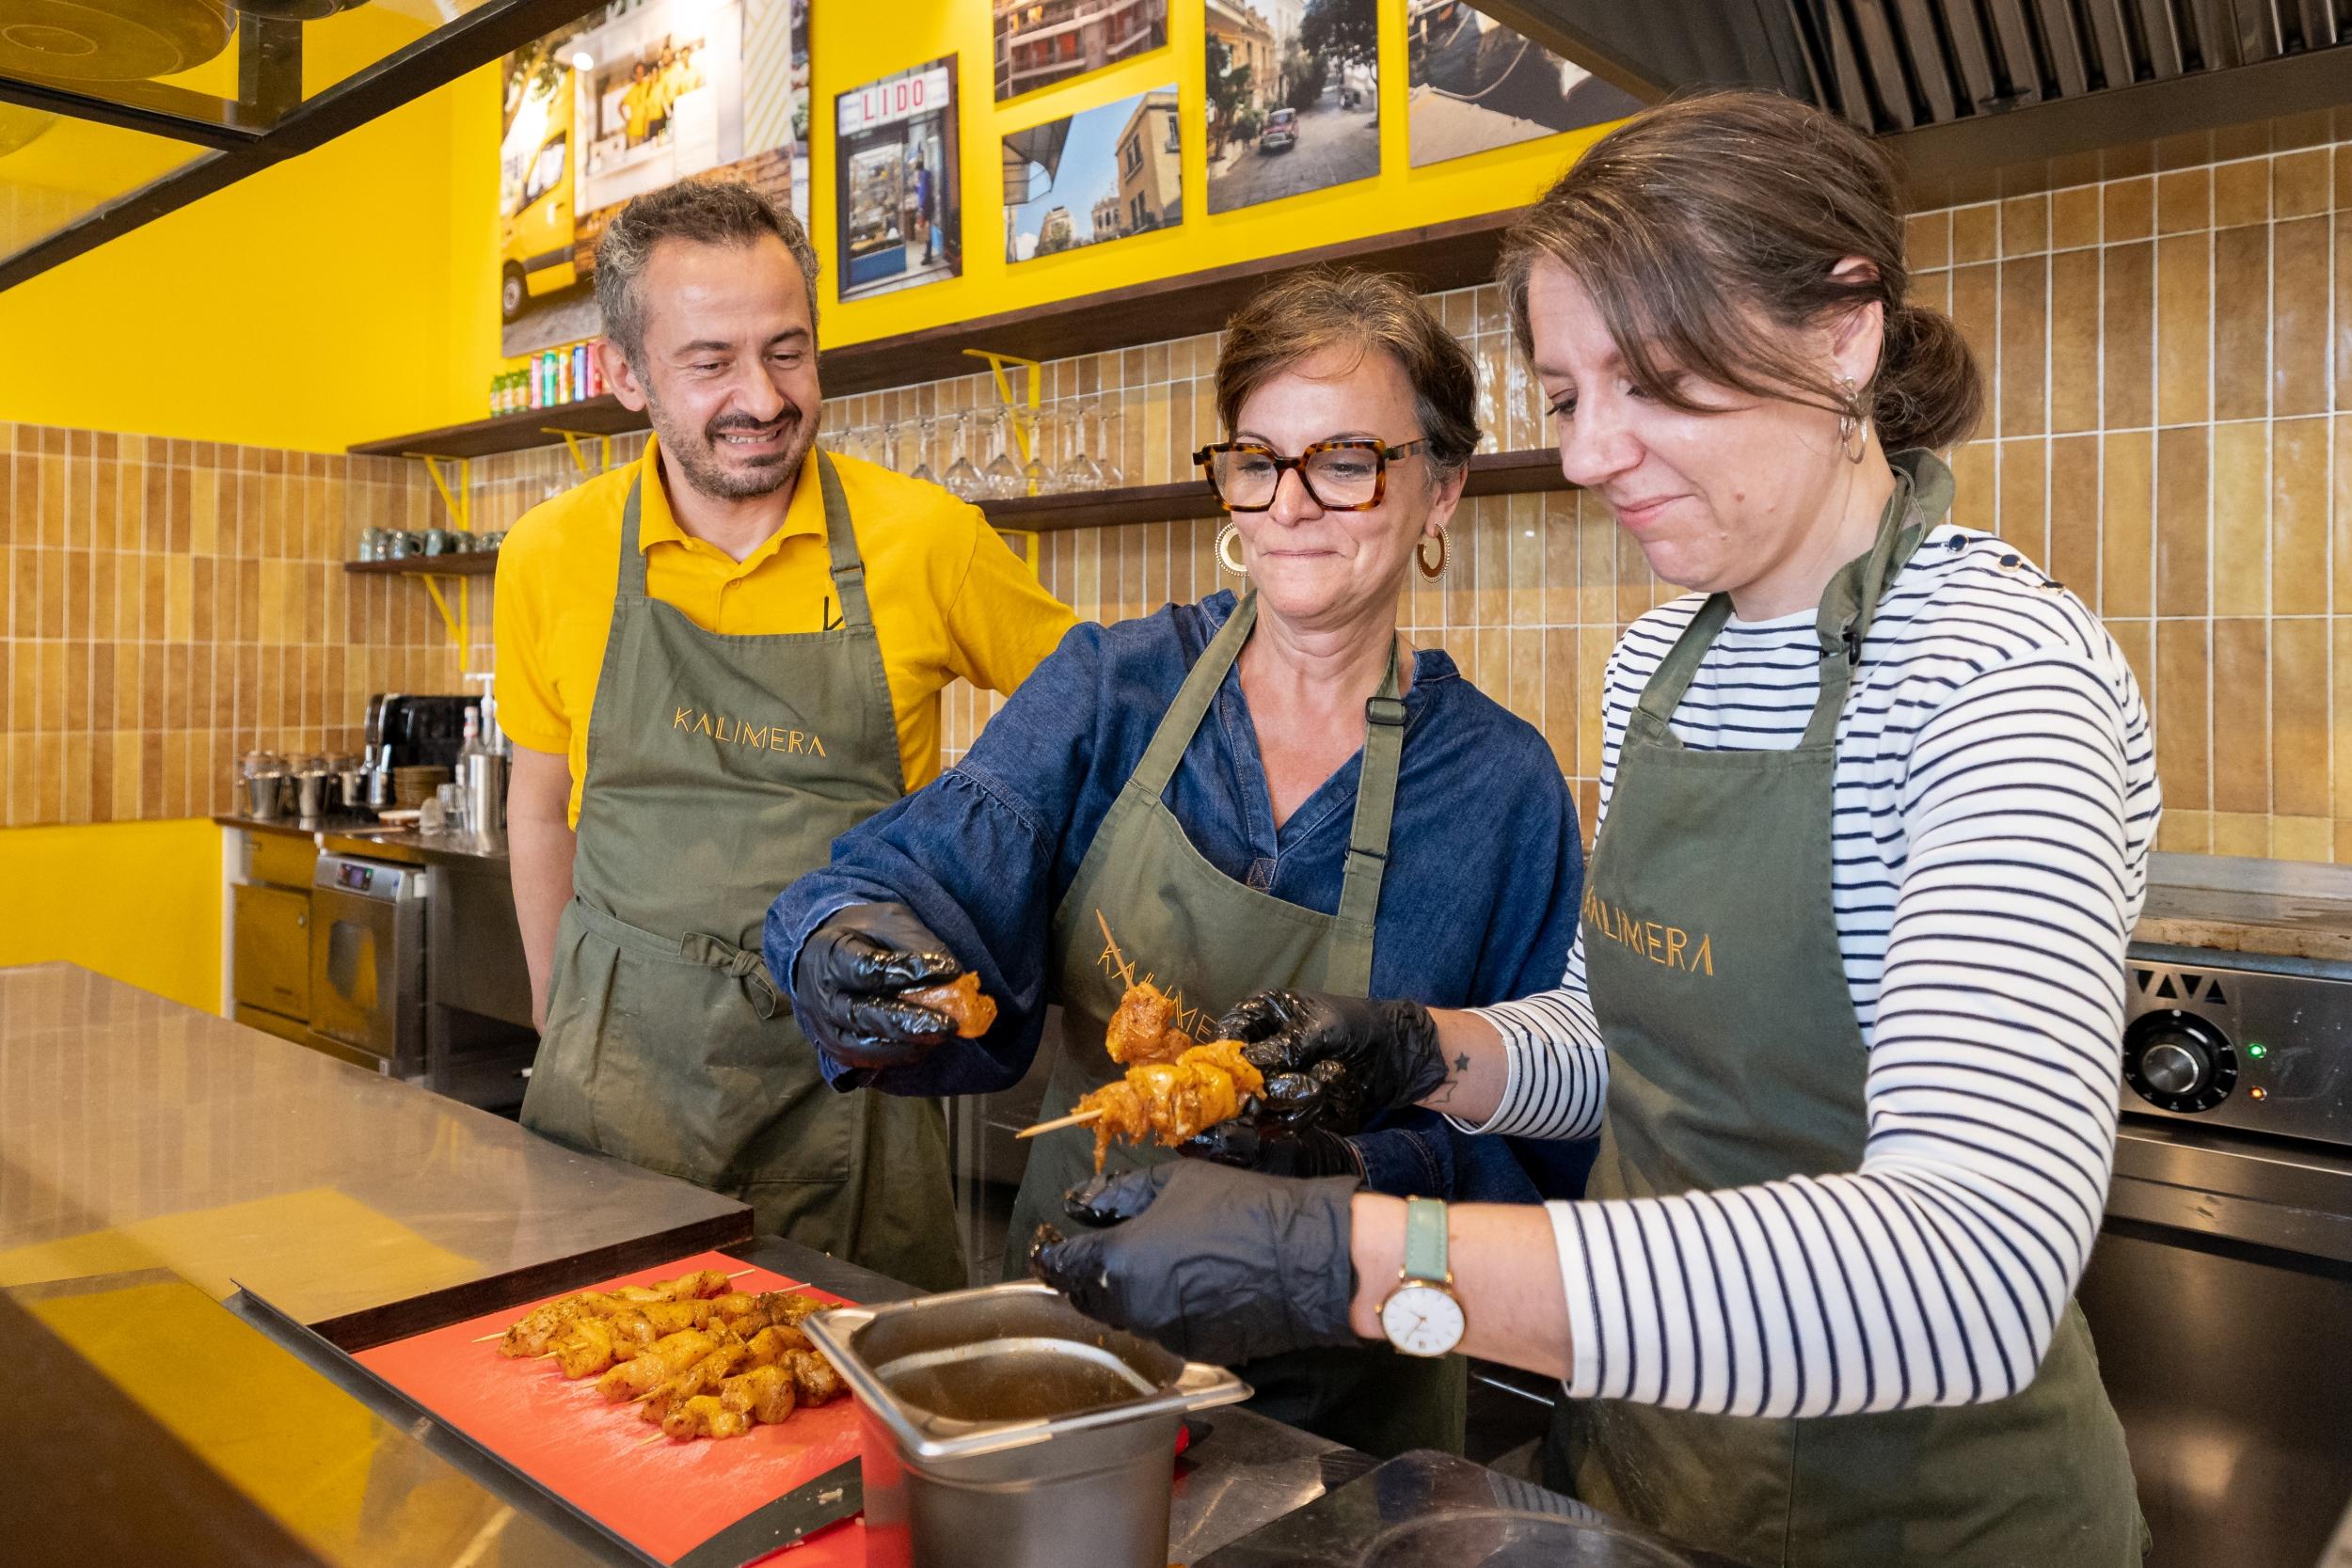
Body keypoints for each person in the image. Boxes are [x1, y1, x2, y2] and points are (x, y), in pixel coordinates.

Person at [1030, 91, 2156, 1568]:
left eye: (1658, 380)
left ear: (1846, 333)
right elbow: (1636, 1040)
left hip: (1921, 1515)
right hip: (1636, 1468)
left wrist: (1355, 1254)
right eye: (1566, 396)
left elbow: (1971, 1269)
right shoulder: (1658, 664)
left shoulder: (1997, 682)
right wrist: (1439, 1049)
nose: (1589, 454)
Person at [765, 267, 1587, 1455]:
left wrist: (1349, 1154)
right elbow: (918, 872)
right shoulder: (1113, 687)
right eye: (1257, 459)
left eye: (1344, 461)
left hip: (1351, 1410)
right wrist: (844, 940)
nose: (1291, 505)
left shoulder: (1500, 785)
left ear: (1442, 489)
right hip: (1077, 1351)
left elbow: (1531, 1142)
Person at [495, 181, 1074, 1294]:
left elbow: (1101, 728)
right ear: (625, 376)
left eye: (788, 351)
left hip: (850, 1080)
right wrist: (555, 1009)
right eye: (709, 362)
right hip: (617, 1067)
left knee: (848, 1417)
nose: (760, 398)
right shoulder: (549, 553)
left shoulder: (927, 540)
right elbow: (538, 798)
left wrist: (986, 885)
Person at [912, 151, 937, 264]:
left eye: (916, 171)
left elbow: (925, 194)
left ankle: (928, 257)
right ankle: (928, 253)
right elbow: (921, 191)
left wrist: (922, 209)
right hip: (926, 207)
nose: (915, 174)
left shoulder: (924, 176)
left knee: (926, 231)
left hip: (926, 208)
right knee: (926, 231)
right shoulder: (924, 176)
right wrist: (914, 187)